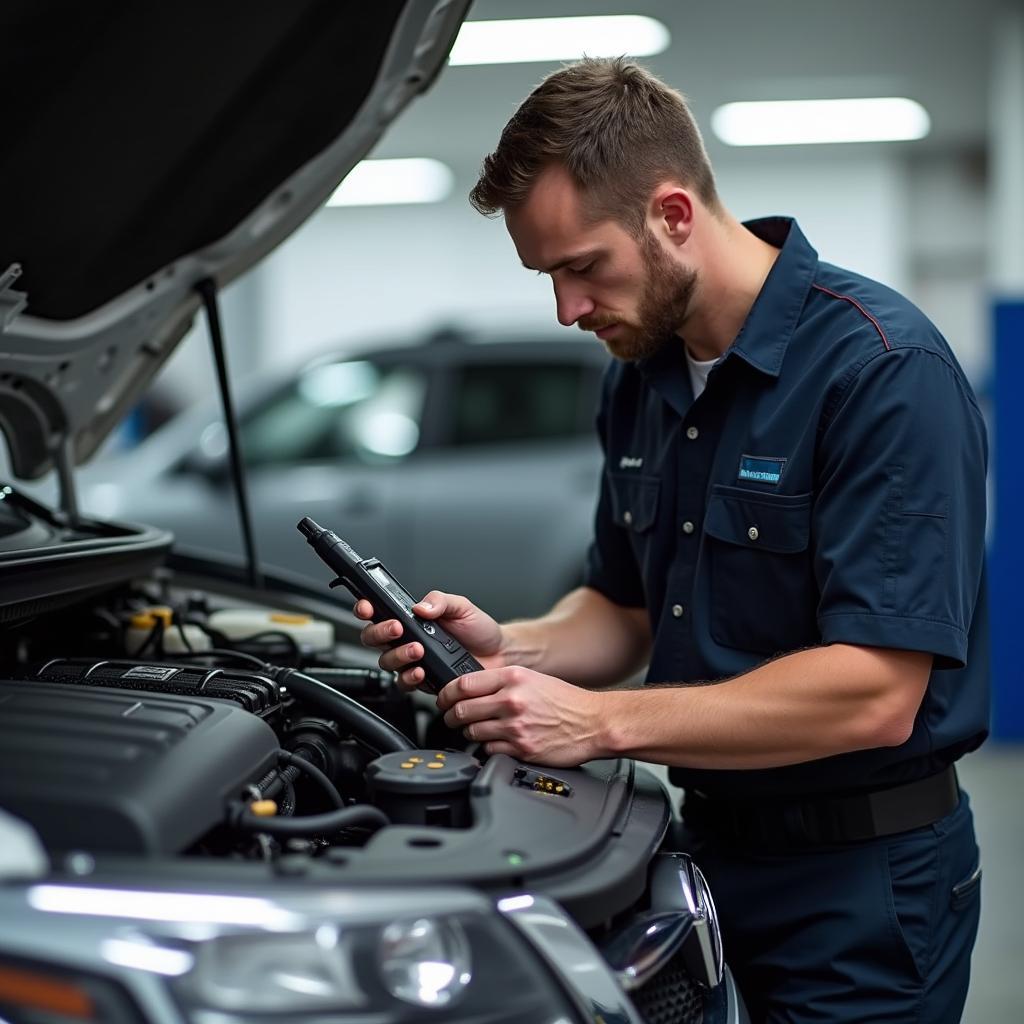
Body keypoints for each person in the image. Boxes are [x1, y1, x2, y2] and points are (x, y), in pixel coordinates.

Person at [356, 58, 988, 1023]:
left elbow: (875, 694)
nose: (567, 310)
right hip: (706, 854)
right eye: (546, 277)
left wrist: (601, 723)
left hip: (863, 886)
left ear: (674, 214)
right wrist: (511, 648)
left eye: (581, 267)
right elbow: (623, 606)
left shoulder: (881, 370)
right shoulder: (642, 375)